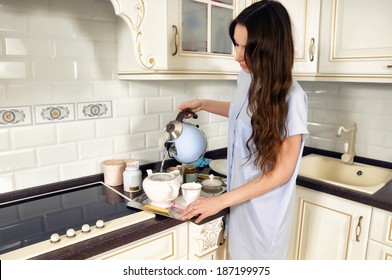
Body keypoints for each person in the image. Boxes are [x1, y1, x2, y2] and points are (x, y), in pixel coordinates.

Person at [179, 0, 308, 260]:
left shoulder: (292, 97)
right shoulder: (247, 78)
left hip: (264, 212)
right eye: (236, 45)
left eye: (247, 48)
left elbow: (281, 173)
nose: (237, 55)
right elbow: (243, 113)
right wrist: (204, 104)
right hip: (239, 200)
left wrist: (219, 201)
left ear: (271, 47)